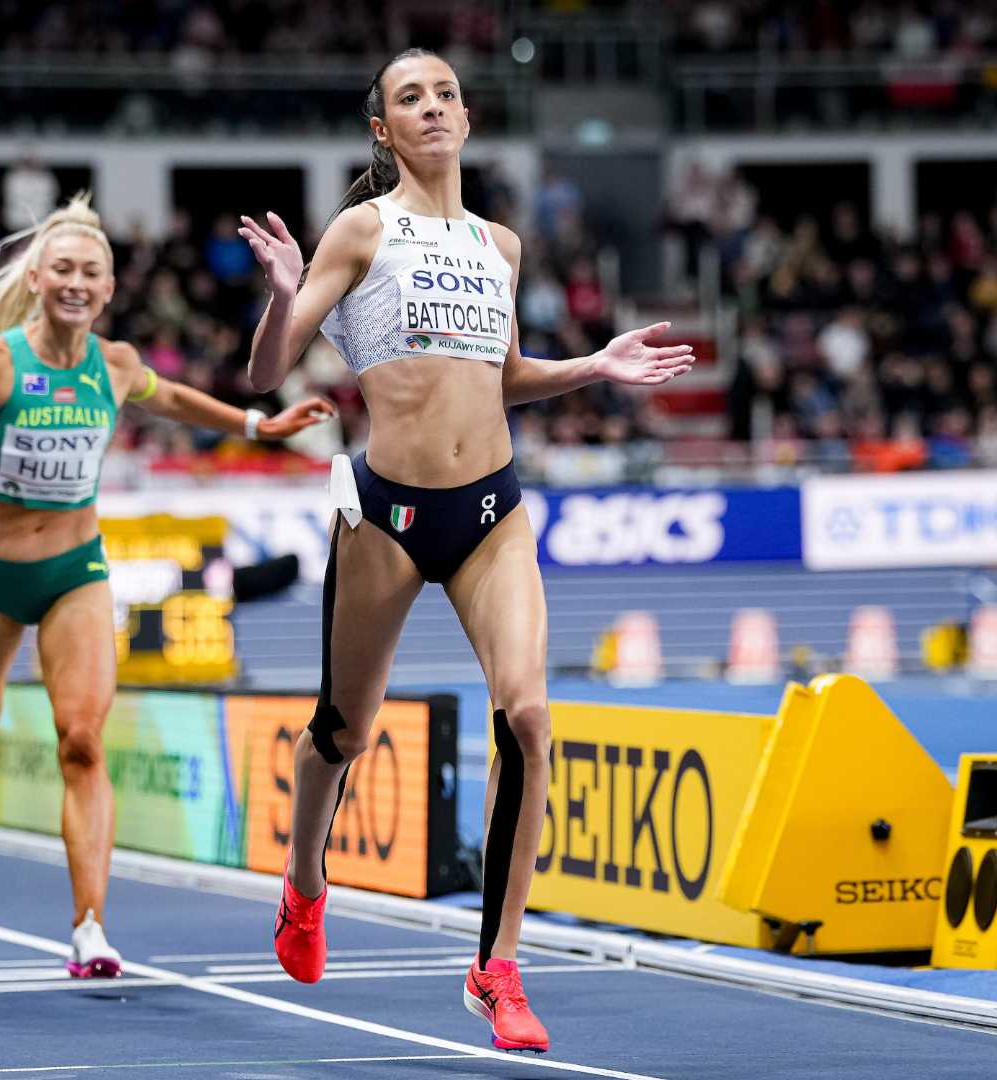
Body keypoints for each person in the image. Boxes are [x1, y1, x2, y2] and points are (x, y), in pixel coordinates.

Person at [237, 49, 694, 1054]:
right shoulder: (362, 228)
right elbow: (265, 374)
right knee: (341, 733)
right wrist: (281, 292)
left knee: (528, 716)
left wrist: (595, 365)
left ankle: (495, 969)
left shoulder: (502, 243)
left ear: (467, 116)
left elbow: (499, 377)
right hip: (388, 515)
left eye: (444, 93)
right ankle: (306, 880)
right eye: (410, 98)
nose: (431, 107)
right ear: (382, 129)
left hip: (492, 508)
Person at [0, 195, 335, 978]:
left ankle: (90, 928)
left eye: (92, 270)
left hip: (74, 571)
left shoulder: (114, 364)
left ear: (111, 286)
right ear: (37, 276)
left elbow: (177, 399)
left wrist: (260, 426)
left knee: (82, 742)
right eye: (63, 269)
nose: (76, 282)